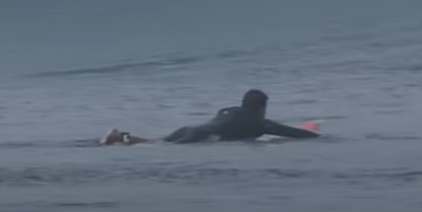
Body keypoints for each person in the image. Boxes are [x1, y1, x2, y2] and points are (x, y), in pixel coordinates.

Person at [101, 89, 320, 145]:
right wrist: (316, 136)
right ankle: (122, 138)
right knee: (160, 146)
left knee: (158, 142)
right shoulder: (259, 122)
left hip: (189, 128)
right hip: (202, 135)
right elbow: (291, 133)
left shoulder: (229, 110)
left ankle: (121, 137)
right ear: (261, 108)